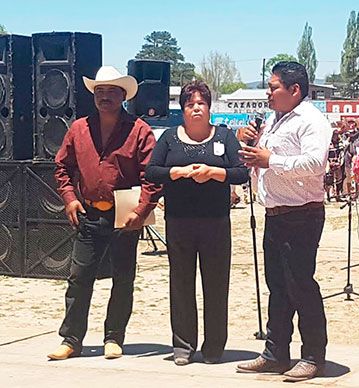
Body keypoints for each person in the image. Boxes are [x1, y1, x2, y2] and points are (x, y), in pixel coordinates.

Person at [48, 66, 161, 360]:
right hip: (88, 214)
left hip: (125, 216)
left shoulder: (139, 130)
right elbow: (62, 167)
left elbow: (152, 175)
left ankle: (114, 337)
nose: (105, 97)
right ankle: (71, 340)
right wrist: (70, 198)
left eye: (111, 91)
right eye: (100, 91)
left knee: (123, 279)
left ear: (123, 95)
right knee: (79, 277)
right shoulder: (78, 129)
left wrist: (142, 209)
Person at [235, 61, 331, 382]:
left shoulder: (312, 120)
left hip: (302, 214)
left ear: (295, 90)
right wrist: (249, 147)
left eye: (274, 86)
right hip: (275, 214)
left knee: (300, 284)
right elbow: (258, 163)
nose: (268, 92)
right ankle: (276, 353)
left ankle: (314, 355)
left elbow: (315, 163)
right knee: (277, 286)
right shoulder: (274, 122)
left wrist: (269, 159)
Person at [145, 81, 249, 366]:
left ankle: (214, 346)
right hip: (179, 221)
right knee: (181, 283)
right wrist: (176, 172)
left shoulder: (225, 137)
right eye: (190, 104)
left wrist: (215, 172)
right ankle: (183, 345)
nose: (196, 109)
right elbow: (152, 171)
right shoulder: (169, 137)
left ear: (210, 107)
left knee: (216, 284)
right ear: (183, 109)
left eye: (201, 103)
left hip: (216, 222)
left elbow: (241, 173)